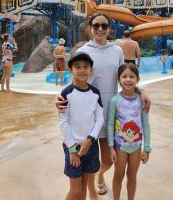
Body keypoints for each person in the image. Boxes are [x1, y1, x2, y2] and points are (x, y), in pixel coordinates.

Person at [55, 12, 151, 198]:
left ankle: (99, 176)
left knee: (107, 159)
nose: (100, 29)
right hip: (89, 114)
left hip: (112, 112)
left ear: (109, 29)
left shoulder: (116, 51)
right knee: (89, 155)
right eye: (96, 25)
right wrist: (58, 97)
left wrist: (141, 91)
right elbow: (76, 79)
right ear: (90, 28)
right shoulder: (85, 51)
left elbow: (125, 76)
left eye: (104, 26)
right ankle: (92, 192)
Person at [59, 53, 104, 200]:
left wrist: (90, 140)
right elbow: (63, 122)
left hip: (90, 145)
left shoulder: (95, 93)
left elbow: (99, 118)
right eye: (77, 67)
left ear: (91, 70)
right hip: (73, 147)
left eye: (86, 66)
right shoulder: (67, 93)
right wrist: (72, 149)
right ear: (70, 70)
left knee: (84, 187)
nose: (82, 70)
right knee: (75, 191)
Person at [107, 63, 151, 200]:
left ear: (137, 79)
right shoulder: (115, 100)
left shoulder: (141, 100)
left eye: (132, 76)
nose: (128, 79)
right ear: (119, 80)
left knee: (132, 176)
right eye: (124, 76)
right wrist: (110, 147)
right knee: (118, 175)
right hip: (120, 147)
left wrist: (147, 148)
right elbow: (110, 124)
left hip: (136, 147)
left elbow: (145, 124)